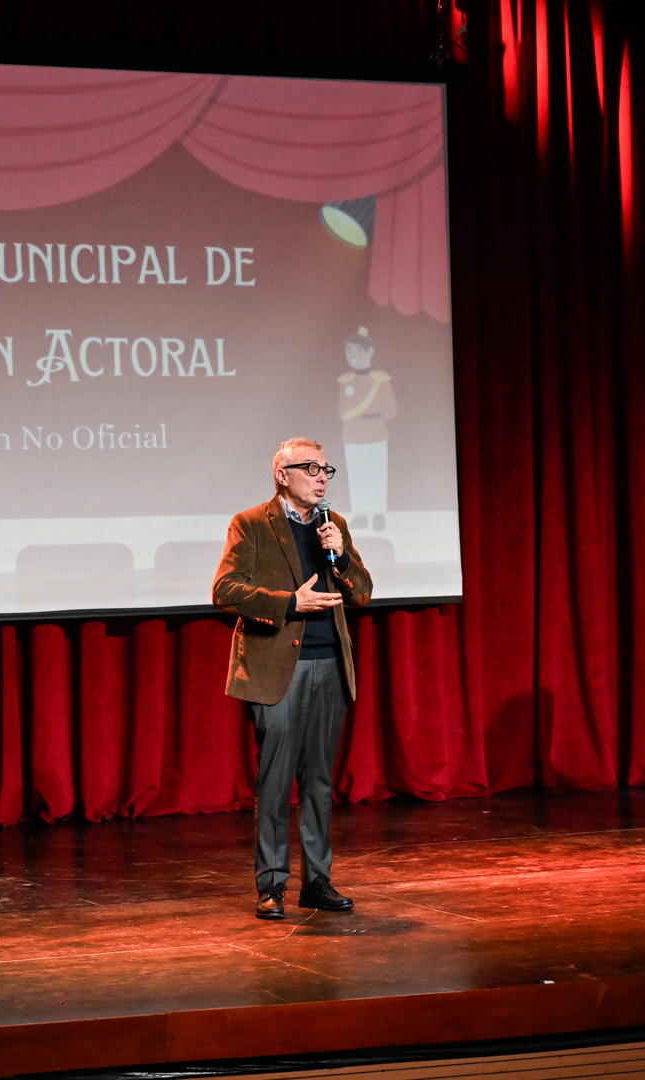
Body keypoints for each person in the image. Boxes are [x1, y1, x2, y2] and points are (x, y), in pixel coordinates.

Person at [213, 437, 373, 919]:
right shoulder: (251, 523)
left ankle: (317, 881)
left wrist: (341, 556)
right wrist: (289, 604)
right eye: (311, 468)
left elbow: (362, 593)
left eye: (327, 470)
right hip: (277, 668)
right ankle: (272, 884)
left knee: (320, 781)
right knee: (277, 780)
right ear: (283, 474)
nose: (322, 477)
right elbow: (225, 588)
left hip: (330, 666)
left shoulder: (333, 525)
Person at [337, 327, 397, 532]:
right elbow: (343, 411)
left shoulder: (380, 380)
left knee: (377, 474)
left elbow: (391, 410)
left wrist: (372, 416)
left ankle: (378, 513)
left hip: (376, 435)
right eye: (349, 351)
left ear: (370, 352)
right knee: (357, 475)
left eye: (358, 351)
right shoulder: (346, 381)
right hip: (353, 436)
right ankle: (362, 514)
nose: (353, 356)